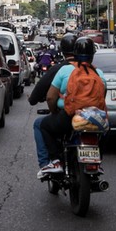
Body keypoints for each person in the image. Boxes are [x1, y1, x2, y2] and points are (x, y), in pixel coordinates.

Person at [37, 36, 106, 177]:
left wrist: (54, 111)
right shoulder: (99, 73)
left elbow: (50, 97)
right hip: (95, 117)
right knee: (105, 132)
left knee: (43, 125)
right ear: (92, 55)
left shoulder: (65, 71)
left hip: (69, 116)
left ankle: (56, 161)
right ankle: (97, 162)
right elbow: (102, 95)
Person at [30, 33, 78, 176]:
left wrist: (35, 100)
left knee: (40, 124)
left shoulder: (61, 69)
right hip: (92, 116)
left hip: (67, 116)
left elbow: (49, 97)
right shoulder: (94, 70)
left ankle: (48, 164)